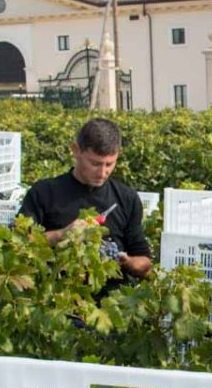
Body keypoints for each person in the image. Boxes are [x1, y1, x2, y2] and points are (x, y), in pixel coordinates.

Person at [18, 117, 152, 278]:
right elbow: (18, 243)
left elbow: (144, 259)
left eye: (109, 164)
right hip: (59, 292)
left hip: (111, 297)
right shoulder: (43, 192)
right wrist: (61, 235)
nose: (102, 173)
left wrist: (126, 262)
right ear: (76, 150)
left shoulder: (127, 198)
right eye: (95, 164)